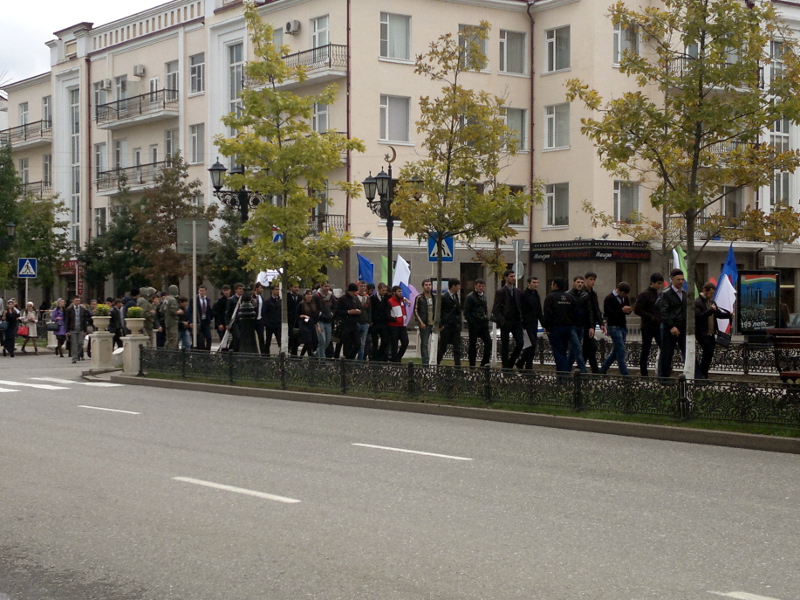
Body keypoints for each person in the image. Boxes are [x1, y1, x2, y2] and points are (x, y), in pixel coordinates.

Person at [695, 282, 733, 379]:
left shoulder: (711, 302)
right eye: (711, 293)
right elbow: (699, 317)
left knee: (710, 353)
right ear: (705, 291)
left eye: (713, 293)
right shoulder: (698, 302)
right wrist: (710, 310)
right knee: (707, 352)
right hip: (702, 333)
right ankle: (702, 373)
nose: (712, 295)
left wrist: (728, 315)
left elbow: (718, 314)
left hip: (712, 333)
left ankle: (704, 373)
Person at [657, 269, 687, 378]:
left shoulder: (684, 293)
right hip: (669, 329)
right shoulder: (666, 294)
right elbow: (664, 312)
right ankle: (663, 378)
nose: (681, 282)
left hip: (682, 327)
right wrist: (671, 326)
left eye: (682, 279)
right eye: (678, 279)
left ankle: (694, 376)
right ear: (672, 279)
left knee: (688, 352)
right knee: (667, 354)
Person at [542, 278, 576, 374]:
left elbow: (547, 313)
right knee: (563, 351)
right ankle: (562, 374)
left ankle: (563, 374)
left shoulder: (550, 297)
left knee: (558, 352)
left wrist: (547, 327)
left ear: (555, 285)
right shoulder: (570, 297)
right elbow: (574, 313)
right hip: (568, 328)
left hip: (555, 328)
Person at [491, 270, 523, 369]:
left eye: (514, 276)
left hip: (516, 321)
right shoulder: (501, 292)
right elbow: (495, 308)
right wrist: (502, 320)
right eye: (511, 276)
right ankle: (505, 367)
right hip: (506, 321)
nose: (513, 278)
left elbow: (520, 306)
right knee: (505, 345)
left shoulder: (517, 291)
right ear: (505, 277)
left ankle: (510, 363)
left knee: (520, 343)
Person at [599, 282, 632, 376]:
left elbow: (626, 310)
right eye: (623, 293)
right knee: (621, 350)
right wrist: (621, 310)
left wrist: (628, 310)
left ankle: (603, 369)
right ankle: (625, 374)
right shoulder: (609, 298)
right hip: (613, 326)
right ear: (618, 290)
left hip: (622, 326)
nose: (624, 296)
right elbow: (608, 313)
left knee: (616, 350)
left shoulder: (625, 298)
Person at [634, 273, 664, 376]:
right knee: (646, 349)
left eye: (661, 283)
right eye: (658, 283)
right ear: (652, 282)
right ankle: (643, 371)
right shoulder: (644, 294)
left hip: (657, 326)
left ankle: (663, 369)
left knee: (663, 347)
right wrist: (651, 317)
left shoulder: (658, 294)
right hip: (647, 326)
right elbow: (637, 310)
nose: (660, 286)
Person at [464, 278, 491, 367]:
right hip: (474, 324)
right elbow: (466, 312)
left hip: (483, 323)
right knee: (472, 344)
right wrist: (471, 322)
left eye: (482, 286)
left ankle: (484, 362)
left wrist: (486, 318)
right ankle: (472, 364)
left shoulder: (484, 296)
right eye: (479, 286)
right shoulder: (470, 297)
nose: (481, 288)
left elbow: (485, 309)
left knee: (488, 342)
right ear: (475, 286)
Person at [517, 276, 543, 370]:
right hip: (526, 324)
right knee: (531, 344)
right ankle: (523, 363)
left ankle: (526, 364)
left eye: (537, 282)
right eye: (534, 282)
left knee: (532, 346)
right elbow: (520, 309)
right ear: (528, 283)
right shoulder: (524, 295)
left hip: (534, 323)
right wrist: (522, 323)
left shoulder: (536, 294)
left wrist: (543, 324)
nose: (536, 284)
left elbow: (539, 310)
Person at [582, 272, 605, 373]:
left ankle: (583, 368)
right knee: (590, 347)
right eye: (590, 279)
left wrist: (601, 323)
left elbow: (596, 309)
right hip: (584, 324)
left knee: (589, 347)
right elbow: (588, 311)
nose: (592, 282)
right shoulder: (583, 293)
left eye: (594, 280)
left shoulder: (593, 293)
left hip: (591, 324)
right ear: (586, 280)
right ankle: (593, 369)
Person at [566, 276, 589, 373]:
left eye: (582, 282)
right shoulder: (568, 295)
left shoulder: (585, 295)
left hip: (581, 326)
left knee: (573, 352)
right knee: (578, 348)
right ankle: (584, 372)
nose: (580, 284)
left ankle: (565, 372)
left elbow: (588, 311)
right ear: (573, 282)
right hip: (571, 326)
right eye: (578, 282)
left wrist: (590, 325)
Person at [437, 278, 462, 366]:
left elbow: (458, 311)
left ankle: (458, 366)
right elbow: (439, 311)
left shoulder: (456, 297)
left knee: (457, 348)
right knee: (442, 347)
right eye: (458, 285)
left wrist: (459, 323)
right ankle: (437, 363)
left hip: (455, 326)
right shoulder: (444, 297)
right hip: (446, 326)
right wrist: (441, 324)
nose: (459, 287)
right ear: (453, 286)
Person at [413, 278, 436, 365]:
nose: (428, 286)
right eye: (426, 285)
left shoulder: (434, 297)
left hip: (433, 324)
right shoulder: (419, 298)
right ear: (423, 287)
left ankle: (434, 361)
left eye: (429, 285)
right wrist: (421, 322)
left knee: (435, 343)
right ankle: (425, 363)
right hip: (425, 324)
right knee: (424, 344)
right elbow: (415, 311)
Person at [337, 283, 363, 360]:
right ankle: (347, 359)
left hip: (354, 324)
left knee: (358, 343)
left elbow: (360, 308)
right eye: (354, 292)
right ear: (350, 291)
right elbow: (338, 312)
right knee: (347, 344)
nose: (355, 293)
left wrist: (359, 312)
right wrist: (348, 312)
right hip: (345, 324)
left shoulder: (355, 299)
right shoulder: (342, 299)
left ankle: (350, 358)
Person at [371, 283, 392, 361]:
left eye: (385, 290)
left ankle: (380, 355)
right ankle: (374, 358)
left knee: (385, 341)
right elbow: (370, 310)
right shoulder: (372, 298)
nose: (384, 292)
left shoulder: (386, 298)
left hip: (383, 322)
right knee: (375, 342)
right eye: (383, 290)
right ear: (379, 290)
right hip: (375, 323)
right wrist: (371, 320)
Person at [65, 296, 90, 363]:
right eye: (76, 300)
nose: (77, 302)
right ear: (73, 301)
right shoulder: (69, 309)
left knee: (81, 343)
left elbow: (85, 320)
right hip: (73, 329)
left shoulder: (82, 309)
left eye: (78, 300)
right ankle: (74, 358)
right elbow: (67, 320)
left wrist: (85, 330)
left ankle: (77, 354)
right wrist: (67, 330)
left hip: (81, 329)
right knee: (74, 344)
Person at [314, 282, 335, 358]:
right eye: (325, 286)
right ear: (321, 286)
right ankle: (322, 359)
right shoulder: (316, 296)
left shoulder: (331, 296)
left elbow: (334, 307)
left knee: (327, 341)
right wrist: (319, 315)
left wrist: (332, 313)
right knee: (322, 341)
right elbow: (315, 308)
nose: (327, 288)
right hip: (320, 321)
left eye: (328, 286)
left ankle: (315, 354)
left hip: (328, 321)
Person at [296, 289, 318, 357]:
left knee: (311, 341)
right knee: (308, 340)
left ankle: (301, 356)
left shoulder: (313, 304)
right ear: (304, 295)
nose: (309, 296)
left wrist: (318, 325)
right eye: (308, 294)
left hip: (311, 324)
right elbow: (297, 315)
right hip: (304, 324)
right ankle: (310, 355)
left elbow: (315, 316)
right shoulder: (301, 304)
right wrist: (303, 316)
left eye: (311, 294)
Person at [225, 283, 244, 352]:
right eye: (239, 289)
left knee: (239, 338)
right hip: (234, 321)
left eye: (242, 289)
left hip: (241, 321)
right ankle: (233, 351)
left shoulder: (244, 299)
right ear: (236, 290)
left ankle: (232, 349)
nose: (241, 290)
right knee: (237, 336)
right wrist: (227, 323)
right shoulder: (231, 300)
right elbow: (228, 312)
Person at [193, 285, 213, 351]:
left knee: (209, 337)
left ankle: (208, 351)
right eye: (200, 291)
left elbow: (209, 310)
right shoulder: (195, 299)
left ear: (205, 291)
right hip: (198, 321)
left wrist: (209, 318)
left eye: (203, 291)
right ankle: (201, 351)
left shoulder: (207, 300)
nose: (201, 292)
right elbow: (190, 310)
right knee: (201, 339)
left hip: (206, 321)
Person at [355, 281, 372, 361]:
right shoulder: (355, 297)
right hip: (357, 321)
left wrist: (368, 321)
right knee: (357, 342)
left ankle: (360, 360)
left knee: (363, 343)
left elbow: (369, 310)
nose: (363, 288)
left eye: (364, 286)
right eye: (361, 286)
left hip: (365, 322)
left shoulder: (367, 297)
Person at [263, 285, 282, 355]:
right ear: (272, 290)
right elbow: (264, 313)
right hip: (270, 324)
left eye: (278, 289)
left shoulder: (280, 301)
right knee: (268, 340)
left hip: (278, 324)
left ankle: (281, 354)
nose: (277, 291)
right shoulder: (267, 301)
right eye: (276, 289)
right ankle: (266, 355)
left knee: (280, 340)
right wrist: (267, 323)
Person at [286, 284, 302, 355]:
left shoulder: (300, 297)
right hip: (290, 320)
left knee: (298, 337)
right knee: (291, 336)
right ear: (291, 288)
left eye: (297, 287)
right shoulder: (287, 296)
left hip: (298, 321)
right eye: (295, 287)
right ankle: (290, 349)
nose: (297, 289)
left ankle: (294, 352)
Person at [252, 282, 266, 352]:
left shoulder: (261, 297)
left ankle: (263, 352)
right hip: (253, 320)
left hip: (260, 320)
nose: (262, 290)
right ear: (256, 288)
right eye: (260, 288)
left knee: (261, 337)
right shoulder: (252, 297)